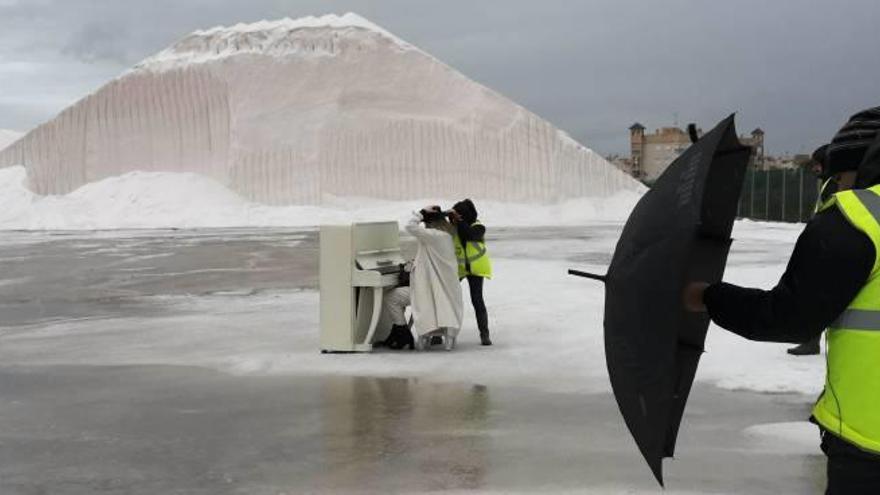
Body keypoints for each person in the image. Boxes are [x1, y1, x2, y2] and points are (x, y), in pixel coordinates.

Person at [684, 106, 880, 493]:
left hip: (869, 446)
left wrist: (709, 297)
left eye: (836, 176)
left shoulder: (861, 217)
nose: (836, 188)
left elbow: (788, 318)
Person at [382, 206, 463, 350]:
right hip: (438, 291)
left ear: (429, 223)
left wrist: (421, 213)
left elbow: (410, 226)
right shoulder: (447, 236)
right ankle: (402, 333)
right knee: (395, 297)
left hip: (426, 291)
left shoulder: (434, 235)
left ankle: (403, 334)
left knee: (391, 298)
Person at [787, 144, 830, 356]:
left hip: (829, 251)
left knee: (817, 298)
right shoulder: (829, 184)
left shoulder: (834, 186)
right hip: (825, 248)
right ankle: (811, 340)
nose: (814, 169)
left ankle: (811, 341)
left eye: (818, 164)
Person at [449, 199, 493, 346]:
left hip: (476, 269)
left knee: (477, 300)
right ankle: (440, 332)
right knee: (446, 298)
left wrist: (459, 221)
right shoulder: (454, 228)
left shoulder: (478, 227)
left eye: (458, 215)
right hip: (460, 269)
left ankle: (484, 334)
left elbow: (469, 235)